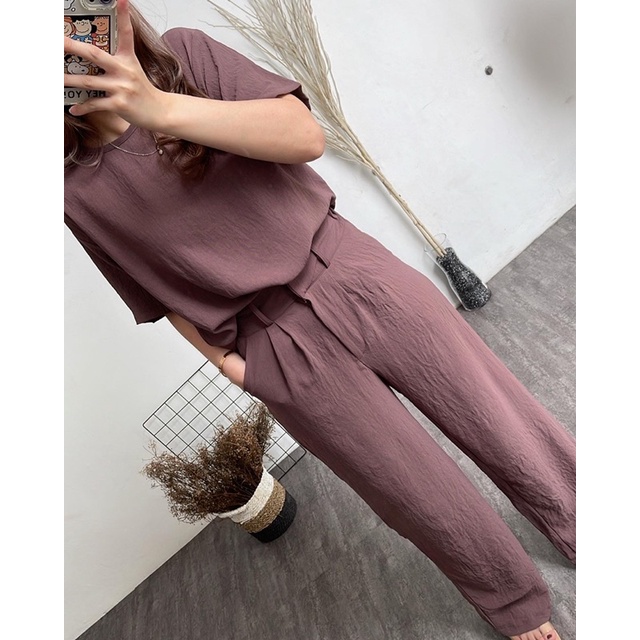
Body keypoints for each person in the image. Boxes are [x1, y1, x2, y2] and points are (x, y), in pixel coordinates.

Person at [64, 2, 575, 639]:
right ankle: (512, 601)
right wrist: (231, 365)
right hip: (271, 344)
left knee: (493, 411)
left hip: (350, 271)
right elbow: (155, 295)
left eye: (69, 23)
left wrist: (158, 109)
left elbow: (304, 136)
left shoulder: (188, 57)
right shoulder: (73, 191)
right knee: (410, 488)